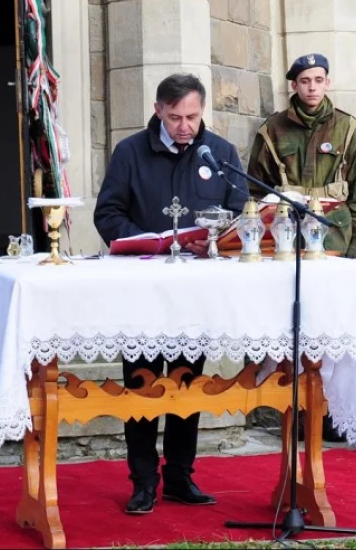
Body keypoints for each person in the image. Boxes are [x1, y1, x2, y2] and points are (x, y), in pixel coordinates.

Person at [93, 73, 248, 515]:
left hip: (194, 289)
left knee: (185, 381)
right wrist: (150, 240)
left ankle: (180, 476)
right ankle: (143, 482)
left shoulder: (218, 153)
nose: (185, 126)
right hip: (143, 287)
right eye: (177, 116)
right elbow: (108, 214)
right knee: (142, 385)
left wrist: (214, 240)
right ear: (159, 109)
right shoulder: (130, 153)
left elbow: (239, 211)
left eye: (193, 117)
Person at [247, 53, 356, 259]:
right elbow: (256, 189)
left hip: (335, 235)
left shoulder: (348, 128)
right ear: (294, 85)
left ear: (327, 83)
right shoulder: (272, 129)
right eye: (305, 81)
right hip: (285, 238)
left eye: (318, 80)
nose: (312, 87)